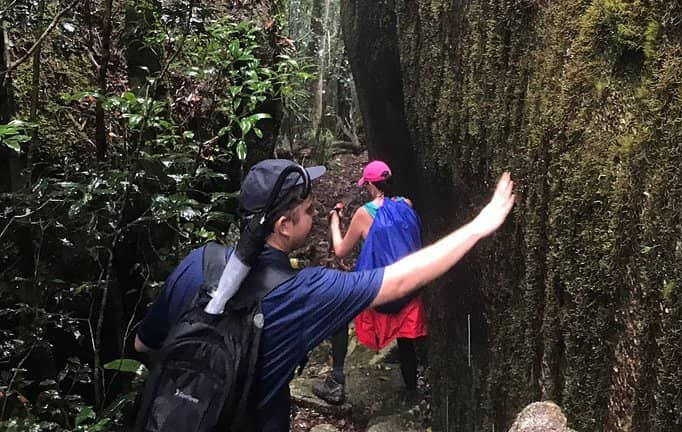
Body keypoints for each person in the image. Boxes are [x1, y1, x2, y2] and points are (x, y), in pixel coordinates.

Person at [133, 157, 515, 432]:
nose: (315, 216)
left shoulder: (198, 262)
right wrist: (479, 226)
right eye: (310, 210)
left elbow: (143, 344)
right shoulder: (304, 291)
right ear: (284, 225)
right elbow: (397, 280)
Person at [314, 159, 426, 405]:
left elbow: (341, 250)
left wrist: (335, 222)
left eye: (367, 186)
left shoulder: (364, 213)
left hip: (382, 288)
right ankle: (410, 392)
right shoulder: (406, 204)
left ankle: (337, 378)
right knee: (406, 342)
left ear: (372, 185)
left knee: (341, 312)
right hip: (407, 285)